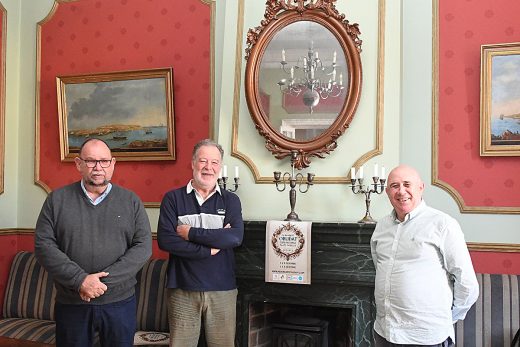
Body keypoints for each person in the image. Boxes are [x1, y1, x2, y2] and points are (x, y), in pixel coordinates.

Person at [34, 138, 152, 347]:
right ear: (78, 164)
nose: (98, 167)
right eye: (90, 161)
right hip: (72, 304)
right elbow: (44, 246)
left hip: (119, 304)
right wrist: (81, 280)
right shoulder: (56, 200)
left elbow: (143, 247)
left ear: (113, 163)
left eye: (104, 161)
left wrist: (99, 285)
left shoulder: (131, 201)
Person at [370, 165, 479, 347]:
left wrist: (446, 318)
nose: (401, 191)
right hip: (384, 331)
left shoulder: (443, 224)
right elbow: (381, 267)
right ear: (387, 191)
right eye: (395, 186)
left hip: (427, 337)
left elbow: (466, 282)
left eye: (407, 184)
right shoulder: (381, 226)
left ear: (420, 187)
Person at [157, 139, 244, 347]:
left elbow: (234, 238)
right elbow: (166, 240)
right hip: (182, 289)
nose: (208, 167)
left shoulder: (231, 200)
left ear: (220, 166)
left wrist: (190, 232)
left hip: (222, 289)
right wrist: (211, 248)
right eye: (203, 161)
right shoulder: (173, 199)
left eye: (214, 162)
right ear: (193, 163)